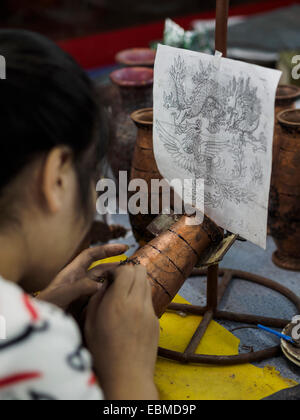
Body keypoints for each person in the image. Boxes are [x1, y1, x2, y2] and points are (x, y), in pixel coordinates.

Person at [0, 29, 159, 400]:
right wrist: (128, 371)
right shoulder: (38, 349)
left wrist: (39, 305)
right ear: (56, 177)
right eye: (92, 174)